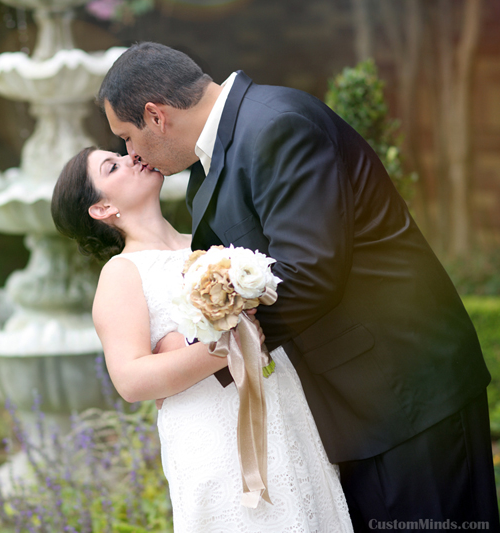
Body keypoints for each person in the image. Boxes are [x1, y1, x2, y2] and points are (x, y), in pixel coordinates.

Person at [96, 41, 499, 531]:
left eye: (126, 137)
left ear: (156, 116)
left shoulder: (276, 126)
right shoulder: (213, 165)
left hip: (405, 393)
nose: (130, 153)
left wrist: (204, 349)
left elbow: (310, 271)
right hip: (352, 408)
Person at [51, 147, 353, 531]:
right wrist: (223, 347)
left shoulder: (208, 240)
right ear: (102, 209)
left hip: (280, 403)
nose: (131, 158)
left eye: (121, 154)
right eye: (113, 167)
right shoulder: (122, 273)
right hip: (211, 431)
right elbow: (130, 379)